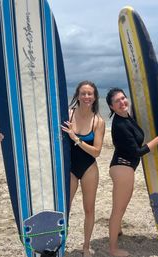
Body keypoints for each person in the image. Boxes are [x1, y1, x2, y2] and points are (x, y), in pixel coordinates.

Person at [106, 87, 158, 257]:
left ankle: (117, 230)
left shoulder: (127, 117)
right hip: (123, 167)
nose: (122, 102)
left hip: (123, 167)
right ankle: (113, 249)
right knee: (118, 210)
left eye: (123, 98)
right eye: (117, 101)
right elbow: (137, 152)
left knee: (120, 206)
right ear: (111, 107)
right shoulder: (120, 125)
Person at [61, 80, 105, 257]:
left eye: (90, 94)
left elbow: (96, 152)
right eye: (83, 93)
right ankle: (60, 245)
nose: (87, 97)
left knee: (89, 209)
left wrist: (75, 138)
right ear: (77, 96)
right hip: (70, 168)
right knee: (65, 208)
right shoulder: (67, 114)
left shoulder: (98, 121)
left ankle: (86, 247)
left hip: (89, 168)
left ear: (95, 97)